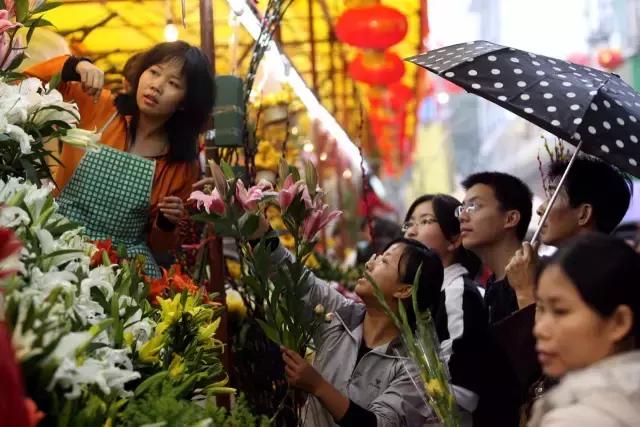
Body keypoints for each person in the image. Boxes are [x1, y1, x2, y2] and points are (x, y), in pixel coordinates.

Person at [25, 42, 214, 276]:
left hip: (119, 266)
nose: (156, 86)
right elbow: (24, 85)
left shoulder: (180, 166)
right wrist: (74, 66)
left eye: (173, 83)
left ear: (186, 103)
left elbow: (160, 246)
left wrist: (166, 222)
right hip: (56, 241)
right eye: (154, 72)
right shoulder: (98, 105)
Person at [278, 238, 441, 426]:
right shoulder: (339, 315)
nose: (370, 264)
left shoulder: (414, 366)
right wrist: (262, 237)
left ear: (404, 290)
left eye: (384, 261)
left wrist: (318, 386)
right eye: (377, 257)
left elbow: (379, 423)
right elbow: (299, 281)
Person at [528, 233, 640, 427]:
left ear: (619, 322)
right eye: (541, 309)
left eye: (560, 311)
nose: (539, 329)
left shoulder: (577, 419)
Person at [402, 194, 487, 420]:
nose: (410, 231)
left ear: (454, 239)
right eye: (409, 223)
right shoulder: (427, 296)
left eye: (425, 221)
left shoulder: (456, 294)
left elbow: (464, 391)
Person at [506, 156, 633, 308]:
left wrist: (525, 291)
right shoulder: (560, 268)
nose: (540, 209)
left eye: (553, 196)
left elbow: (548, 331)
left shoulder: (603, 278)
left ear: (584, 214)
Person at [457, 172, 534, 321]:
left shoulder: (537, 278)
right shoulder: (493, 286)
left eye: (474, 206)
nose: (462, 217)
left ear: (510, 218)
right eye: (462, 208)